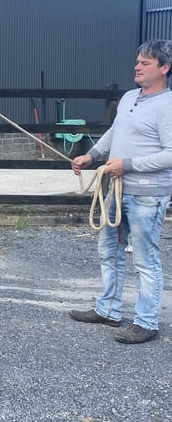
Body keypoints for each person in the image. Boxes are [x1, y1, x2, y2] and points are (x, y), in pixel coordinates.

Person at [69, 39, 172, 344]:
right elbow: (116, 131)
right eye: (137, 61)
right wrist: (92, 155)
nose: (137, 67)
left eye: (145, 63)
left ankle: (147, 321)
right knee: (109, 250)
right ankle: (109, 309)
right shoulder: (130, 97)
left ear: (164, 68)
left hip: (146, 194)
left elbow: (170, 153)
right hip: (116, 190)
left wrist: (126, 164)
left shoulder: (167, 106)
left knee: (144, 258)